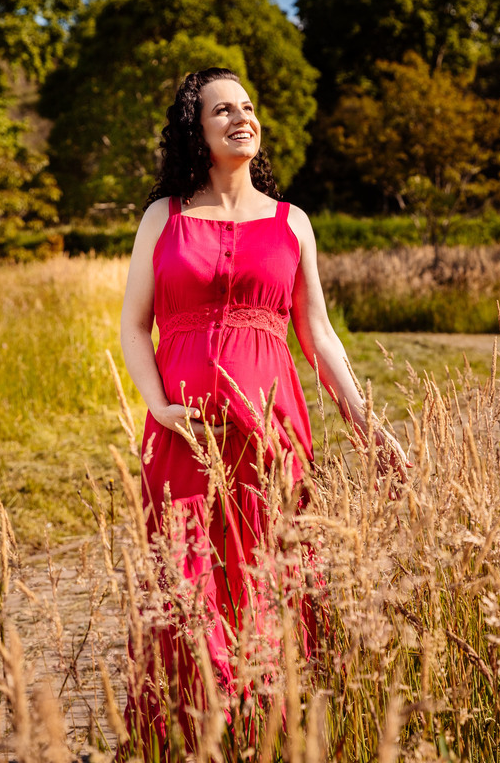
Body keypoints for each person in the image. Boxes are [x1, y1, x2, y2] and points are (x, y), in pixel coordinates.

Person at [119, 67, 406, 754]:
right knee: (184, 584)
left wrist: (367, 423)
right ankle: (189, 735)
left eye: (248, 107)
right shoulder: (164, 216)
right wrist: (158, 407)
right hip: (183, 438)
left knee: (269, 576)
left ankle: (274, 731)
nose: (241, 117)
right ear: (197, 129)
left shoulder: (292, 223)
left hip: (273, 435)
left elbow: (318, 335)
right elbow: (133, 326)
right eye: (222, 110)